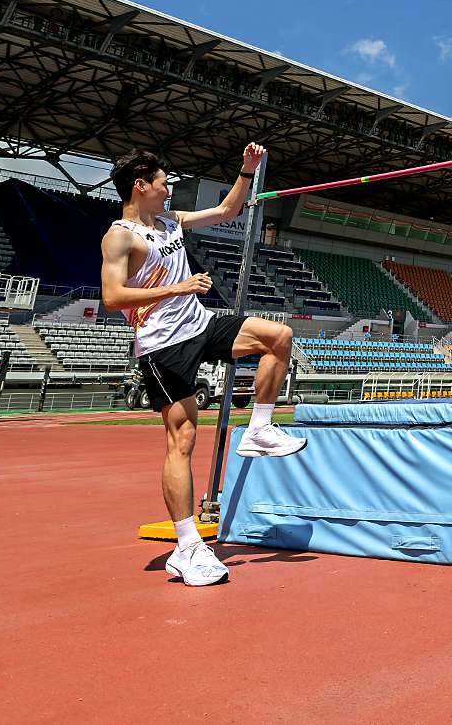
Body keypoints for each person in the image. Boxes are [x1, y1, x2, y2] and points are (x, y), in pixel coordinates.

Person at [101, 143, 304, 588]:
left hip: (201, 324)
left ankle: (259, 429)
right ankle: (188, 546)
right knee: (183, 438)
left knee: (279, 337)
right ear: (141, 186)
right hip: (163, 345)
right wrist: (178, 287)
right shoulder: (120, 236)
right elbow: (113, 297)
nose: (168, 190)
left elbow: (229, 211)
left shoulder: (171, 221)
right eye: (162, 184)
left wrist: (247, 170)